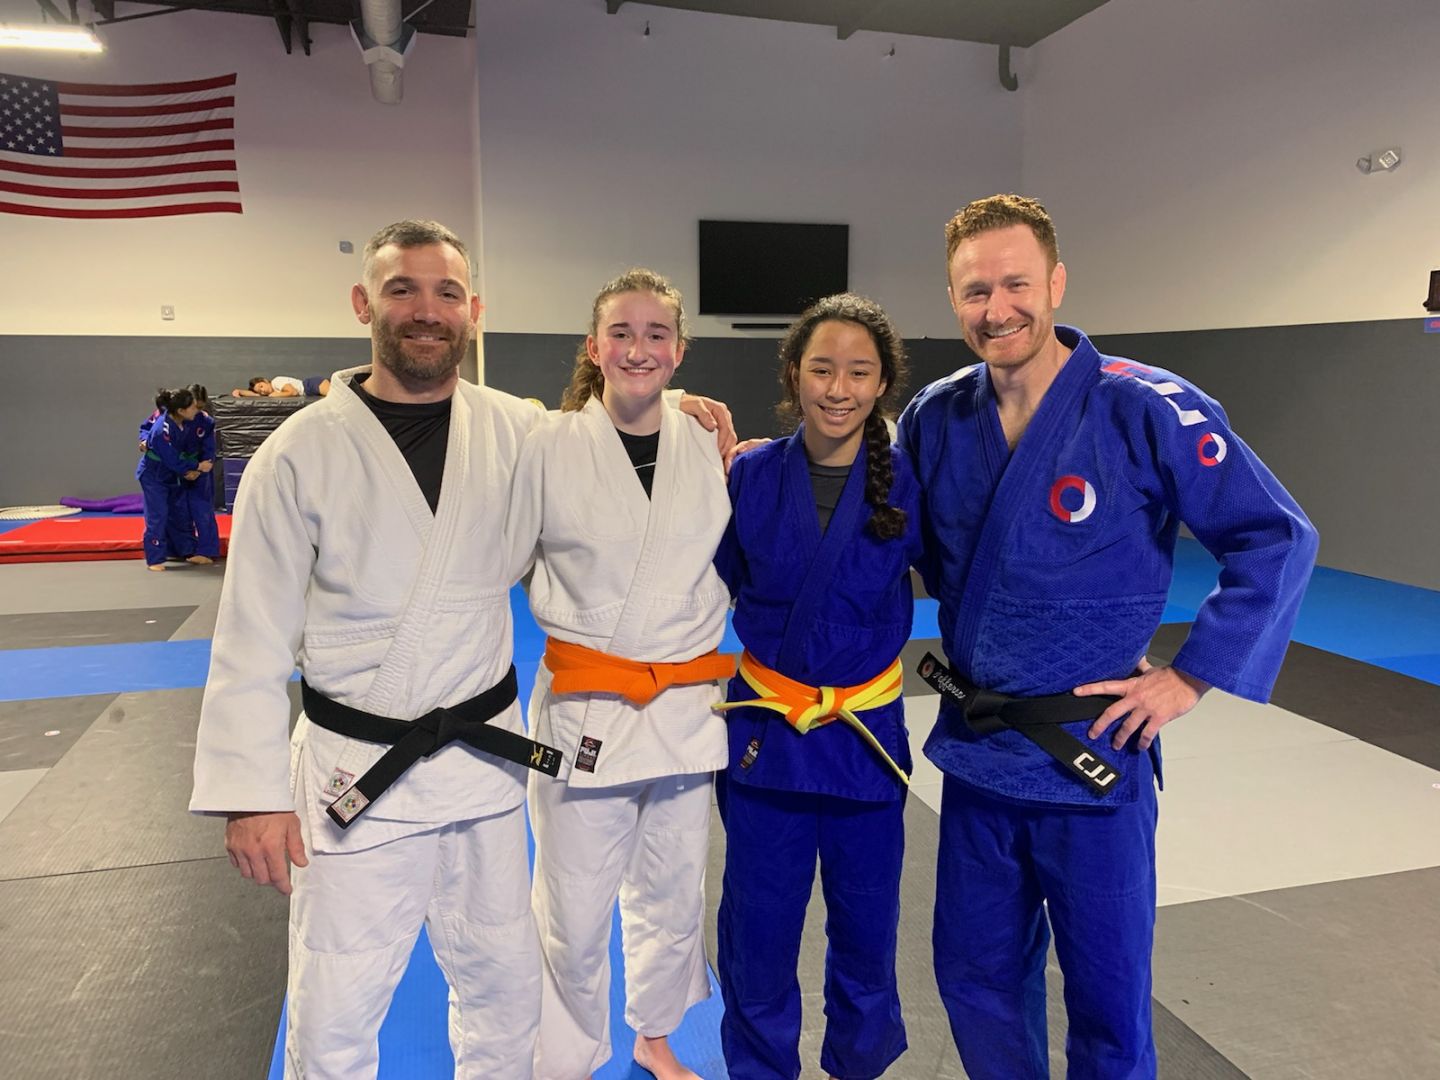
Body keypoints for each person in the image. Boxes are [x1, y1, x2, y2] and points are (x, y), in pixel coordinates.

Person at [192, 224, 736, 1080]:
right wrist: (248, 794)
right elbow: (250, 636)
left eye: (446, 292)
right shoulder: (298, 453)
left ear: (472, 310)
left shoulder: (515, 429)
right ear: (364, 303)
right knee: (336, 1004)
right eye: (402, 289)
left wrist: (684, 404)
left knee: (504, 996)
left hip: (483, 771)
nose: (426, 310)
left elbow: (619, 426)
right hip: (358, 772)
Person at [897, 194, 1319, 1079]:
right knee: (974, 979)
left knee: (1108, 997)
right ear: (953, 300)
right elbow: (880, 532)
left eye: (1016, 284)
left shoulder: (1144, 404)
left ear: (1056, 282)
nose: (997, 308)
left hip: (1094, 750)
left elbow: (1275, 536)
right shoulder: (935, 417)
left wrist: (1191, 676)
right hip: (979, 753)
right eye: (975, 291)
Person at [505, 269, 731, 1080]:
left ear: (679, 349)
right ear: (594, 347)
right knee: (570, 905)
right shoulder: (545, 443)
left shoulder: (707, 441)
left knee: (673, 892)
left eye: (657, 334)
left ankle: (655, 1036)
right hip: (587, 710)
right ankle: (562, 1057)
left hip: (686, 711)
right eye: (622, 334)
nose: (640, 349)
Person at [713, 294, 923, 1080]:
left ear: (883, 383)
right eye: (822, 369)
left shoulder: (910, 480)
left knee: (868, 931)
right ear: (793, 375)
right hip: (769, 737)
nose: (839, 389)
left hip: (864, 737)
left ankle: (857, 1067)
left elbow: (970, 577)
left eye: (859, 372)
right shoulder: (751, 475)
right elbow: (706, 584)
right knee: (758, 932)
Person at [136, 388, 203, 570]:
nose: (196, 409)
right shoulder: (161, 429)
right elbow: (171, 458)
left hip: (172, 474)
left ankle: (185, 550)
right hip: (154, 475)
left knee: (180, 512)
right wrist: (194, 468)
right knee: (158, 515)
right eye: (193, 407)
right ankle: (155, 558)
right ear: (181, 410)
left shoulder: (186, 420)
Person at [179, 383, 219, 564]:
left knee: (202, 509)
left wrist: (198, 469)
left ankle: (207, 551)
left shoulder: (206, 422)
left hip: (200, 469)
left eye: (201, 407)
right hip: (178, 468)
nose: (197, 411)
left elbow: (209, 450)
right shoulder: (171, 417)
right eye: (194, 407)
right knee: (178, 510)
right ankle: (183, 548)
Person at [230, 374, 331, 397]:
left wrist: (274, 395)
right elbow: (256, 395)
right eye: (260, 391)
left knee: (336, 396)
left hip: (312, 384)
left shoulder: (276, 381)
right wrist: (239, 391)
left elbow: (293, 392)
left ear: (265, 381)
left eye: (261, 386)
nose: (263, 391)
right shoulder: (273, 390)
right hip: (310, 390)